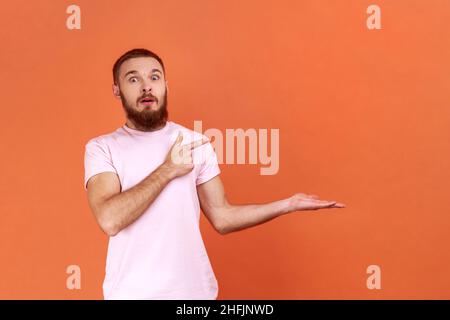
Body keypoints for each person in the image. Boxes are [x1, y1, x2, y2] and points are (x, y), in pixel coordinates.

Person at [84, 48, 346, 300]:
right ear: (117, 90)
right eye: (133, 79)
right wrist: (167, 170)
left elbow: (222, 217)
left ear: (166, 85)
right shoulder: (102, 148)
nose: (146, 86)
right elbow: (110, 219)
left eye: (154, 77)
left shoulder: (195, 143)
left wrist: (288, 204)